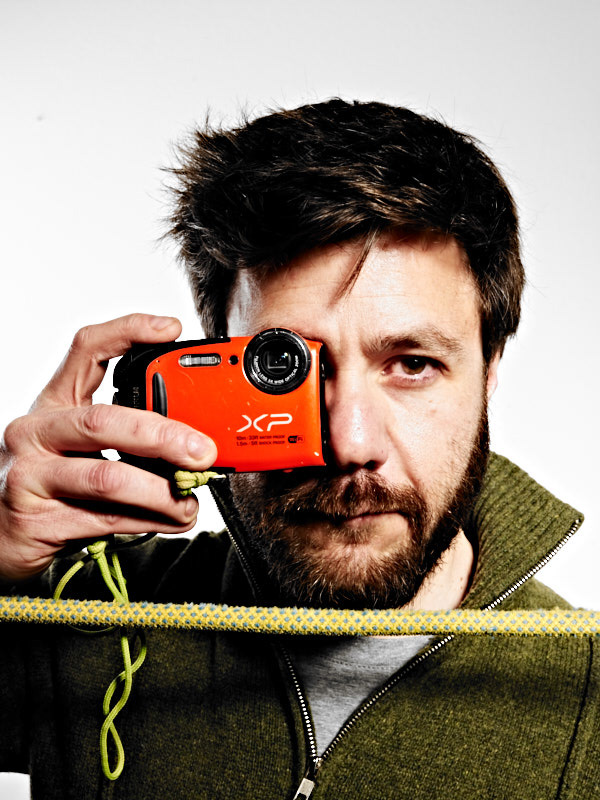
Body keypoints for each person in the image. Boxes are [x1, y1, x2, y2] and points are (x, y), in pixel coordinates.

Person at [0, 99, 597, 799]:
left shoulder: (588, 698)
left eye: (412, 364)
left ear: (489, 373)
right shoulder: (78, 615)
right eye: (287, 369)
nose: (350, 443)